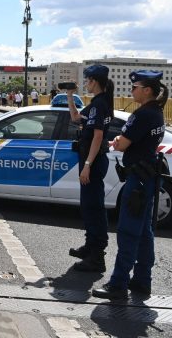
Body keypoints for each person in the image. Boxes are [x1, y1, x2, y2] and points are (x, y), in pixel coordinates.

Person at [92, 70, 168, 300]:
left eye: (135, 87)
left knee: (128, 231)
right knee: (144, 232)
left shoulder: (143, 114)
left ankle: (118, 284)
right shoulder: (157, 113)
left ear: (147, 90)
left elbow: (123, 144)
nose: (131, 91)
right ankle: (143, 280)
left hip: (138, 179)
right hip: (148, 176)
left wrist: (117, 141)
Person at [65, 65, 114, 273]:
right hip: (91, 161)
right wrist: (69, 96)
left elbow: (98, 136)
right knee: (89, 206)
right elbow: (76, 119)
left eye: (87, 80)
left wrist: (87, 166)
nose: (85, 84)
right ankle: (89, 247)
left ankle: (96, 257)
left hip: (92, 163)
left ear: (94, 81)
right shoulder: (97, 103)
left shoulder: (100, 104)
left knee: (94, 208)